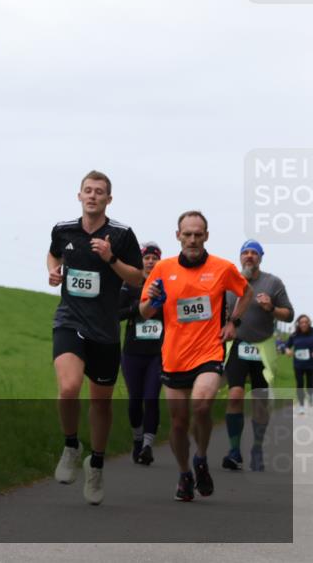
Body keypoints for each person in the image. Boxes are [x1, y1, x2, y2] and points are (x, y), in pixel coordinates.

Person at [139, 211, 252, 501]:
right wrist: (153, 300)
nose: (192, 239)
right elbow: (144, 311)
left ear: (206, 236)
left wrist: (233, 322)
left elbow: (246, 292)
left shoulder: (222, 268)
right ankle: (184, 473)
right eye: (187, 234)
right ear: (178, 235)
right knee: (177, 423)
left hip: (209, 352)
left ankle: (200, 458)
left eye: (197, 234)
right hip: (174, 356)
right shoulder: (163, 269)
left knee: (201, 406)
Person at [47, 171, 144, 505]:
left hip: (104, 329)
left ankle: (97, 463)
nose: (92, 196)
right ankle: (71, 446)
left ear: (108, 199)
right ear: (79, 196)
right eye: (87, 191)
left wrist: (111, 258)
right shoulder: (63, 230)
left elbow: (138, 278)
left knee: (100, 402)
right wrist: (52, 270)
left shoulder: (121, 234)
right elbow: (53, 254)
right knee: (69, 387)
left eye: (99, 192)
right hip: (69, 320)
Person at [221, 240, 294, 472]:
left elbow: (289, 315)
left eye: (254, 253)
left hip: (263, 346)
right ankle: (234, 451)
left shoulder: (273, 283)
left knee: (260, 402)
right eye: (246, 252)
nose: (249, 256)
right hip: (238, 346)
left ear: (261, 257)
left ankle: (257, 448)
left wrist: (271, 308)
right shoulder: (229, 283)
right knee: (235, 395)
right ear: (240, 257)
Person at [118, 242, 165, 466]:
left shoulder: (167, 286)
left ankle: (147, 445)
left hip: (158, 353)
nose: (150, 261)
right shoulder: (130, 285)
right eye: (146, 257)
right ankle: (137, 440)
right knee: (135, 401)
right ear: (141, 261)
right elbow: (116, 313)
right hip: (132, 352)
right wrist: (138, 307)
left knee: (151, 397)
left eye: (154, 258)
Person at [286, 314, 313, 415]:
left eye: (306, 322)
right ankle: (301, 406)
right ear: (298, 323)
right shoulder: (294, 335)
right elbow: (287, 346)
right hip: (298, 365)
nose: (304, 324)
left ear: (309, 323)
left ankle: (310, 396)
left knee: (310, 384)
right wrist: (288, 350)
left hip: (311, 365)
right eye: (302, 322)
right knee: (300, 385)